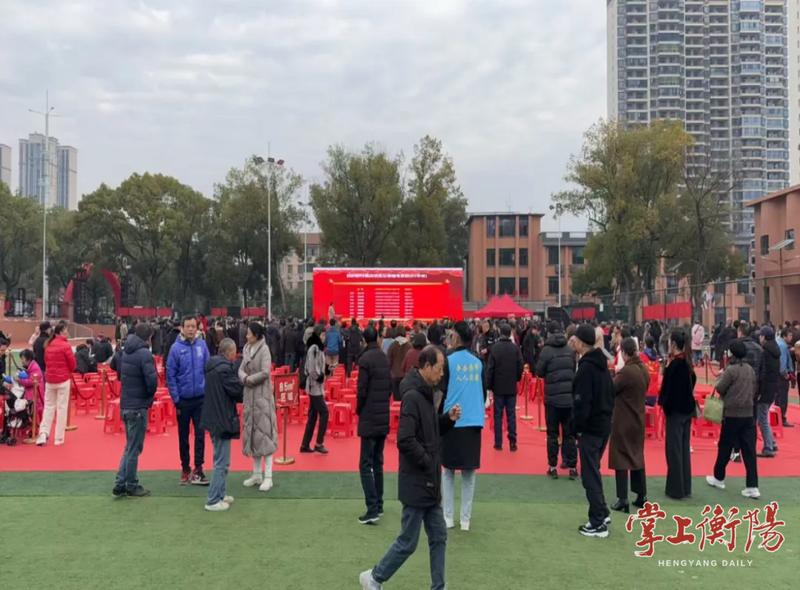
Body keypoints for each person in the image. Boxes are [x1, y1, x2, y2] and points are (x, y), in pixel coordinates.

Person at [359, 346, 461, 590]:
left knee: (439, 536)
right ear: (426, 367)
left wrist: (447, 419)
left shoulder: (426, 394)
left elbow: (429, 430)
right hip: (417, 481)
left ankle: (438, 586)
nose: (441, 374)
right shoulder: (414, 397)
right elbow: (405, 439)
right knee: (408, 541)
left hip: (429, 482)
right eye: (439, 369)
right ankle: (374, 578)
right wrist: (426, 461)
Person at [440, 321, 485, 532]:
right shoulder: (478, 363)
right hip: (473, 421)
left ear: (456, 337)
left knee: (448, 471)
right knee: (469, 473)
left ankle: (447, 517)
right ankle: (465, 520)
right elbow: (482, 393)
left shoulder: (448, 362)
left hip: (452, 420)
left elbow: (442, 392)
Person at [571, 324, 615, 538]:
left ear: (581, 343)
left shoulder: (586, 369)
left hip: (591, 428)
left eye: (575, 339)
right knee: (593, 471)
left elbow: (582, 404)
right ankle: (602, 512)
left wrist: (576, 428)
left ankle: (597, 521)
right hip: (604, 425)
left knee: (590, 475)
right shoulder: (602, 365)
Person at [705, 340, 760, 498]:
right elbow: (754, 389)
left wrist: (721, 378)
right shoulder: (750, 369)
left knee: (725, 446)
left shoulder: (731, 370)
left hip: (731, 414)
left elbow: (720, 387)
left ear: (732, 353)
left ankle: (718, 477)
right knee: (749, 450)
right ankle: (752, 486)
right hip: (748, 414)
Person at [112, 323, 158, 497]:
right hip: (138, 405)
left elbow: (115, 368)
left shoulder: (125, 351)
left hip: (126, 403)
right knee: (134, 448)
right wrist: (149, 396)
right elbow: (151, 381)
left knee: (129, 446)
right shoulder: (144, 354)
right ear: (149, 337)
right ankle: (131, 484)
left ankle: (121, 481)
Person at [200, 338, 244, 512]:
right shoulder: (224, 370)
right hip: (221, 418)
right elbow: (237, 391)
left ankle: (221, 493)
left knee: (222, 460)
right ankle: (213, 500)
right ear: (230, 352)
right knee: (221, 462)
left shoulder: (213, 367)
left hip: (214, 417)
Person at [166, 315, 211, 485]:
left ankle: (198, 468)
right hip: (183, 401)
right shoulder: (175, 348)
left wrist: (207, 391)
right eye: (188, 326)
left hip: (200, 399)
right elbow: (170, 375)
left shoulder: (202, 345)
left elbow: (208, 369)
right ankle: (185, 468)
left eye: (194, 326)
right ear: (182, 328)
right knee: (183, 436)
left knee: (200, 435)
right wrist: (176, 398)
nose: (191, 329)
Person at [356, 326, 392, 524]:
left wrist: (359, 409)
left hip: (369, 416)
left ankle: (372, 508)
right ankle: (378, 504)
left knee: (365, 464)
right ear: (377, 338)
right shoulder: (384, 358)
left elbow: (361, 390)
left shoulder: (365, 360)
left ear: (364, 340)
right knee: (378, 462)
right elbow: (389, 388)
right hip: (382, 415)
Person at [609, 337, 649, 513]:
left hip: (623, 420)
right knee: (637, 456)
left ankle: (622, 498)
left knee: (621, 458)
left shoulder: (626, 372)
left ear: (624, 353)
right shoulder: (643, 369)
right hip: (638, 418)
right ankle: (641, 495)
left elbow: (611, 389)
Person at [239, 322, 279, 492]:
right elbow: (241, 369)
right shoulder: (247, 349)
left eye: (249, 333)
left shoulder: (264, 350)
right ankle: (256, 474)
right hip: (250, 398)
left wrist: (249, 379)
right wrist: (243, 377)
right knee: (253, 435)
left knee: (265, 436)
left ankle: (268, 476)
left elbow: (265, 372)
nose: (246, 336)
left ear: (256, 335)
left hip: (262, 398)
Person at [536, 321, 578, 479]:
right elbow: (573, 369)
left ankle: (552, 467)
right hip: (568, 398)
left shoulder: (546, 351)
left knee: (552, 434)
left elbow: (539, 371)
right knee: (569, 434)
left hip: (552, 399)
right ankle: (572, 467)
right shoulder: (570, 350)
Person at [658, 329, 697, 500]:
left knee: (674, 451)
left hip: (675, 412)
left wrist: (665, 406)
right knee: (683, 450)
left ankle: (676, 489)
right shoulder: (687, 364)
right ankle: (685, 486)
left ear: (673, 344)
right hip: (687, 411)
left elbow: (667, 390)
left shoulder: (674, 366)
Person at [36, 322, 76, 446]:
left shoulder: (48, 345)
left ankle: (43, 433)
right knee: (61, 408)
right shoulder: (66, 345)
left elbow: (46, 362)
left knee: (48, 407)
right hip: (63, 379)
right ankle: (58, 438)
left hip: (50, 380)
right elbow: (72, 364)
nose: (67, 332)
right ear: (61, 331)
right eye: (66, 330)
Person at [486, 323, 523, 451]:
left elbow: (490, 369)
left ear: (500, 333)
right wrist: (517, 378)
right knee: (511, 414)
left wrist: (489, 385)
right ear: (510, 333)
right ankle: (512, 441)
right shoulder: (515, 348)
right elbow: (520, 366)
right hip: (511, 385)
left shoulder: (495, 348)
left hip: (498, 386)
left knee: (498, 415)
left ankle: (498, 442)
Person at [300, 326, 329, 453]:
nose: (324, 337)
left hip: (316, 386)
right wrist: (319, 377)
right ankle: (319, 443)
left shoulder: (318, 348)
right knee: (324, 412)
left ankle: (305, 444)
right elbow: (312, 368)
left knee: (313, 416)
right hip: (314, 387)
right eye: (322, 335)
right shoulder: (314, 348)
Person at [756, 327, 780, 458]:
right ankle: (772, 442)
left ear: (764, 337)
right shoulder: (775, 350)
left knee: (762, 419)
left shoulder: (764, 352)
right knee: (764, 418)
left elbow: (763, 374)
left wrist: (759, 390)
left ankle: (768, 447)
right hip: (773, 387)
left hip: (765, 389)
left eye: (761, 336)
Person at [17, 349, 44, 421]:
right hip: (34, 391)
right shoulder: (31, 366)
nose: (21, 361)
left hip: (35, 393)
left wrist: (20, 380)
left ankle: (35, 424)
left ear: (28, 359)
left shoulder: (34, 367)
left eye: (22, 358)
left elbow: (31, 382)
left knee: (35, 407)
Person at [776, 328, 794, 428]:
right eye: (790, 335)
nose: (791, 338)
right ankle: (781, 418)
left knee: (778, 397)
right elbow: (782, 362)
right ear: (784, 336)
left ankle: (777, 419)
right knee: (782, 398)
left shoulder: (778, 343)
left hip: (777, 375)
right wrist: (785, 374)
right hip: (782, 376)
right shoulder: (782, 346)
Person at [387, 326, 411, 401]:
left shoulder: (392, 345)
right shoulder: (409, 346)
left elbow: (388, 361)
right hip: (405, 376)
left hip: (394, 375)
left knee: (396, 400)